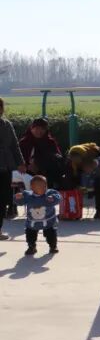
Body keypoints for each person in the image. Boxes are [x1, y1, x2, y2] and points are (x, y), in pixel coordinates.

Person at [0, 98, 28, 241]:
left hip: (6, 167)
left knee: (3, 200)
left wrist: (21, 163)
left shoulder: (7, 124)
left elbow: (14, 145)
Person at [14, 175, 61, 255]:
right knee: (30, 235)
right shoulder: (28, 195)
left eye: (44, 186)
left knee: (51, 234)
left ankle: (53, 246)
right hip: (32, 222)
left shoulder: (49, 193)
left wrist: (53, 198)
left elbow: (58, 197)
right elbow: (20, 202)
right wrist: (18, 198)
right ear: (32, 187)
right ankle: (31, 247)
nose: (43, 188)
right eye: (39, 186)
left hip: (48, 220)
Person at [19, 118, 63, 190]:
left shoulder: (50, 142)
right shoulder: (24, 142)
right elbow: (18, 158)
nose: (39, 131)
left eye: (42, 129)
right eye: (36, 128)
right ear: (31, 128)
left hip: (46, 173)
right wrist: (27, 166)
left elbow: (57, 158)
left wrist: (40, 166)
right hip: (26, 172)